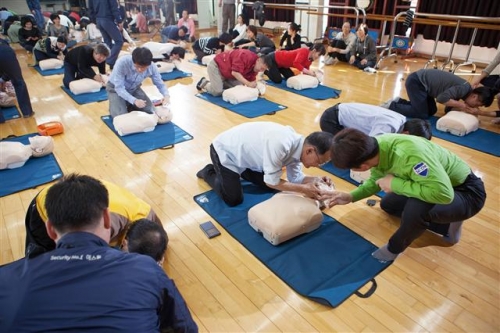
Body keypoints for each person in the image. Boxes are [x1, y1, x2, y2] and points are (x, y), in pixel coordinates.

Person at [1, 174, 197, 332]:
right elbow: (185, 327)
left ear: (51, 230)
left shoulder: (8, 279)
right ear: (106, 220)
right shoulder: (147, 269)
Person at [323, 129, 486, 262]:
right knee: (388, 204)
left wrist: (394, 184)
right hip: (434, 184)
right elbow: (376, 180)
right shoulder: (375, 148)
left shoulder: (409, 155)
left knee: (416, 209)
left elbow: (443, 194)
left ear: (361, 167)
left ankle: (394, 249)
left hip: (467, 193)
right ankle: (447, 224)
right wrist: (351, 196)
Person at [196, 122, 334, 207]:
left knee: (271, 186)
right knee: (233, 199)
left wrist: (315, 179)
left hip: (247, 158)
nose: (318, 165)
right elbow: (272, 182)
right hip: (225, 151)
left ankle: (241, 172)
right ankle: (209, 171)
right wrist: (304, 189)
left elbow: (295, 178)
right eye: (320, 162)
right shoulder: (281, 144)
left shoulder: (301, 148)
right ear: (310, 150)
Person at [25, 177, 165, 257]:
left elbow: (160, 240)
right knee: (46, 260)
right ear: (125, 243)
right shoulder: (108, 222)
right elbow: (84, 253)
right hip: (45, 206)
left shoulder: (149, 219)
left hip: (84, 197)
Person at [384, 69, 495, 119]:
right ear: (474, 96)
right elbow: (441, 99)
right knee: (422, 114)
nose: (475, 106)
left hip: (425, 87)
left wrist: (462, 110)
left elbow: (447, 108)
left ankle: (399, 101)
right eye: (477, 104)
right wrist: (462, 106)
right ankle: (391, 106)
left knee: (432, 111)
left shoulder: (465, 91)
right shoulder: (463, 88)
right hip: (417, 82)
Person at [107, 47, 170, 118]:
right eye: (137, 66)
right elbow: (119, 88)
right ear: (133, 61)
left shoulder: (152, 67)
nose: (140, 70)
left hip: (134, 88)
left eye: (143, 67)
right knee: (121, 116)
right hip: (115, 89)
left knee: (150, 110)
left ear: (148, 64)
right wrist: (134, 100)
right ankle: (119, 105)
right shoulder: (122, 63)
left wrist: (166, 96)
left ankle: (128, 105)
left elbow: (160, 84)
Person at [320, 103, 432, 139]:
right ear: (407, 133)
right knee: (353, 150)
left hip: (340, 112)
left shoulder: (402, 120)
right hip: (331, 120)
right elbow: (372, 146)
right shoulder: (389, 126)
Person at [196, 48, 271, 96]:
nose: (261, 71)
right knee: (217, 92)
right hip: (217, 66)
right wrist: (248, 83)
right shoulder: (245, 56)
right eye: (261, 68)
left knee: (238, 88)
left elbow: (251, 81)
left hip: (229, 74)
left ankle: (220, 82)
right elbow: (235, 73)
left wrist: (258, 89)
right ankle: (204, 83)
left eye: (263, 70)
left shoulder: (256, 68)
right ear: (258, 60)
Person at [0, 39, 35, 121]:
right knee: (18, 82)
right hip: (5, 52)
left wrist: (3, 79)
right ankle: (27, 112)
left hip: (4, 50)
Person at [88, 0, 124, 69]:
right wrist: (119, 21)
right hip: (107, 19)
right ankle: (108, 61)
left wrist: (94, 21)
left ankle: (109, 63)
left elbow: (90, 9)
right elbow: (114, 8)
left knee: (107, 42)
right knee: (119, 41)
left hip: (98, 20)